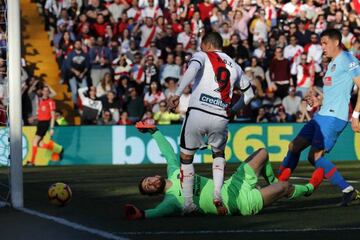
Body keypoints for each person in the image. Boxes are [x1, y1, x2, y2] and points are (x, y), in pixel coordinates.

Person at [124, 123, 324, 220]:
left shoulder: (175, 171)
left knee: (262, 153)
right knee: (284, 187)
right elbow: (157, 212)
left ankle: (272, 179)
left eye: (148, 180)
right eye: (148, 188)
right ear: (155, 192)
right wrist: (141, 214)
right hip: (237, 203)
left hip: (231, 185)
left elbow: (167, 152)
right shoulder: (172, 201)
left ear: (155, 175)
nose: (150, 183)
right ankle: (309, 188)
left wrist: (154, 131)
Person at [167, 32, 255, 214]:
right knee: (218, 153)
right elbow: (250, 94)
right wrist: (233, 109)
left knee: (186, 158)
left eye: (201, 45)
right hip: (220, 117)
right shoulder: (236, 66)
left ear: (206, 44)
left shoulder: (202, 56)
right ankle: (217, 194)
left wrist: (177, 94)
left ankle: (188, 203)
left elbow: (191, 70)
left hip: (198, 113)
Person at [279, 29, 360, 206]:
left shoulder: (349, 60)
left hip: (335, 117)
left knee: (316, 156)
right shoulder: (331, 64)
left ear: (336, 42)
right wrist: (318, 100)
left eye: (324, 43)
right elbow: (333, 93)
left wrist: (356, 115)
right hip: (322, 114)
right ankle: (279, 183)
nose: (321, 47)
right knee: (294, 146)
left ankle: (348, 190)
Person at [26, 86, 64, 166]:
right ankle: (59, 150)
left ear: (48, 92)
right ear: (42, 91)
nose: (46, 92)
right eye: (45, 90)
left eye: (47, 91)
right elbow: (41, 114)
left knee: (34, 142)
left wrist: (52, 128)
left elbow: (52, 116)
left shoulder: (50, 102)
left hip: (45, 123)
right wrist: (33, 118)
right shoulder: (40, 101)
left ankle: (32, 162)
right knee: (40, 144)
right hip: (40, 123)